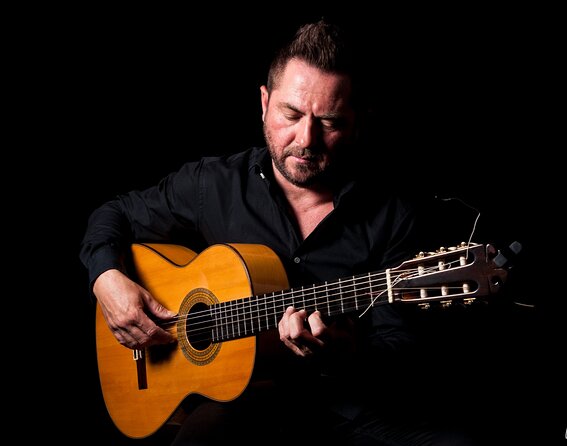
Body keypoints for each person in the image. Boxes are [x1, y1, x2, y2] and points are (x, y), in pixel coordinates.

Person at [81, 20, 478, 445]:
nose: (306, 139)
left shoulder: (394, 213)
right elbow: (114, 214)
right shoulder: (212, 184)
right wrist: (106, 278)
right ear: (265, 103)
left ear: (357, 123)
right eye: (291, 114)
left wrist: (347, 355)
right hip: (249, 404)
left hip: (352, 409)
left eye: (329, 122)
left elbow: (403, 347)